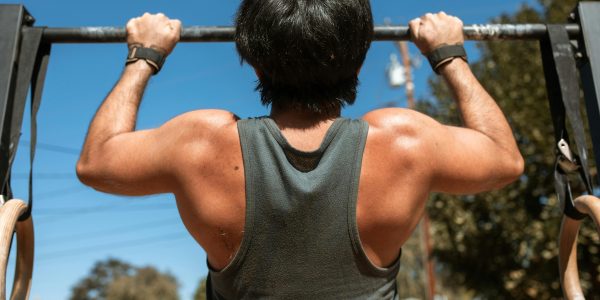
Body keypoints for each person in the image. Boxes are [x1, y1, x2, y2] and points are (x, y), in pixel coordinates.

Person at [77, 0, 524, 298]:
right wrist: (449, 54)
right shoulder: (403, 141)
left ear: (251, 55)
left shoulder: (201, 142)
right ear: (361, 57)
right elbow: (504, 159)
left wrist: (144, 55)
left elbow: (97, 161)